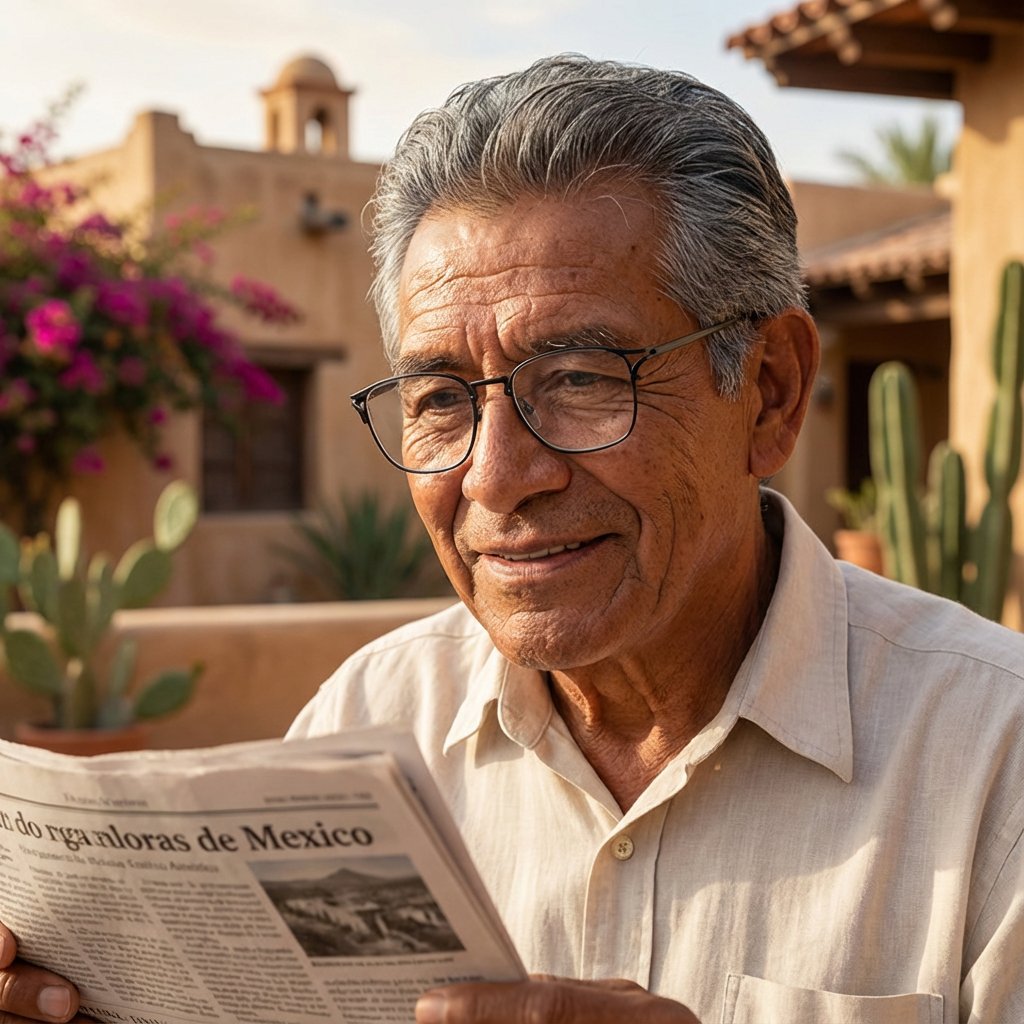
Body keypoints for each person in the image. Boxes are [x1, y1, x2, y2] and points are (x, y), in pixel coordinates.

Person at [2, 54, 1023, 1024]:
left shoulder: (992, 764)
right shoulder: (366, 721)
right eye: (441, 398)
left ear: (768, 392)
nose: (494, 474)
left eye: (579, 380)